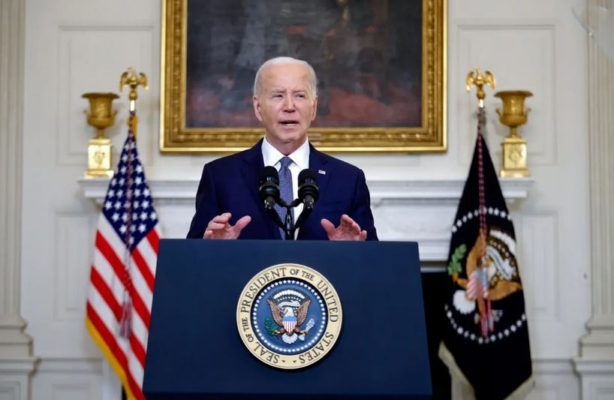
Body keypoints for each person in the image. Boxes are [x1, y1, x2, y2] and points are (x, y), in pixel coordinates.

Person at [186, 56, 378, 241]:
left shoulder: (349, 180)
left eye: (300, 95)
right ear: (258, 107)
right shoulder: (220, 176)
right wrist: (212, 249)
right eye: (278, 95)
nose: (289, 106)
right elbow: (192, 261)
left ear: (314, 107)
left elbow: (374, 261)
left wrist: (352, 253)